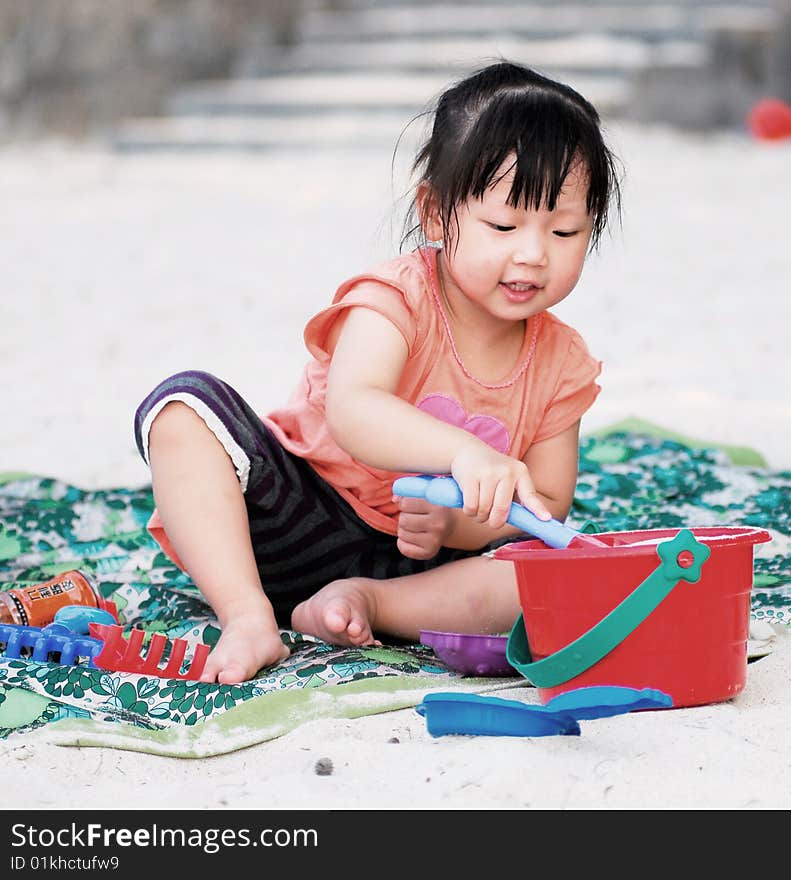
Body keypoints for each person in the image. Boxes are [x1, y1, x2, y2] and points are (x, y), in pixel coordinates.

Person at [133, 60, 621, 684]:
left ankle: (366, 604)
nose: (532, 253)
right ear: (439, 214)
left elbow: (545, 505)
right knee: (183, 405)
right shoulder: (396, 298)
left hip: (420, 571)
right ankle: (247, 613)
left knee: (545, 570)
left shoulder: (562, 363)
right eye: (503, 225)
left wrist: (460, 523)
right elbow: (355, 408)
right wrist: (463, 455)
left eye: (564, 229)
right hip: (292, 521)